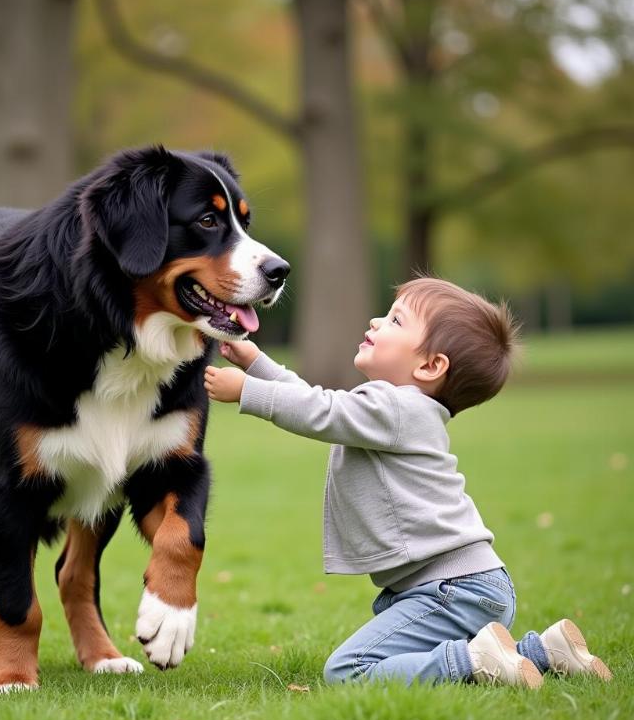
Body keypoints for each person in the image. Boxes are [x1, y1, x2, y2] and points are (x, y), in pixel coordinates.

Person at [204, 277, 612, 688]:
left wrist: (249, 391)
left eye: (396, 320)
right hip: (467, 586)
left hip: (451, 591)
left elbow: (320, 410)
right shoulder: (396, 408)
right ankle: (545, 652)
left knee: (350, 670)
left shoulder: (397, 409)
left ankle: (473, 662)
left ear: (430, 366)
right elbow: (320, 399)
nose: (376, 321)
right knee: (388, 658)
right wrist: (258, 364)